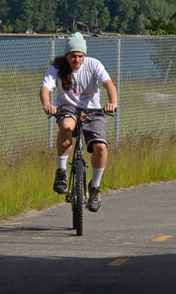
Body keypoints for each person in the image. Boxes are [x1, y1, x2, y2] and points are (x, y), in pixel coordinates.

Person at [40, 32, 118, 212]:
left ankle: (95, 187)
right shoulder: (57, 67)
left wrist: (112, 103)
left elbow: (109, 85)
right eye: (73, 56)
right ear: (66, 55)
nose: (76, 60)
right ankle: (61, 171)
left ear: (85, 55)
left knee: (100, 147)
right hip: (68, 108)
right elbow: (45, 88)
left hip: (93, 111)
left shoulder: (93, 64)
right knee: (67, 126)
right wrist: (47, 105)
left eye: (80, 56)